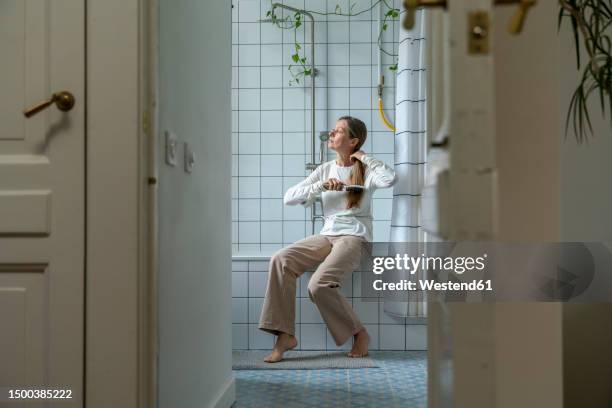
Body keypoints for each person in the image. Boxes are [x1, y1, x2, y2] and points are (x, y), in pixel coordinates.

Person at [258, 116, 397, 363]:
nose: (332, 133)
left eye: (339, 131)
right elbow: (289, 197)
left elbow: (390, 179)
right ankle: (284, 336)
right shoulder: (325, 170)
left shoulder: (366, 171)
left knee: (319, 285)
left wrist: (363, 157)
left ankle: (359, 333)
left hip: (355, 236)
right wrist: (320, 187)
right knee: (280, 260)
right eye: (333, 129)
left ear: (353, 141)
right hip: (327, 235)